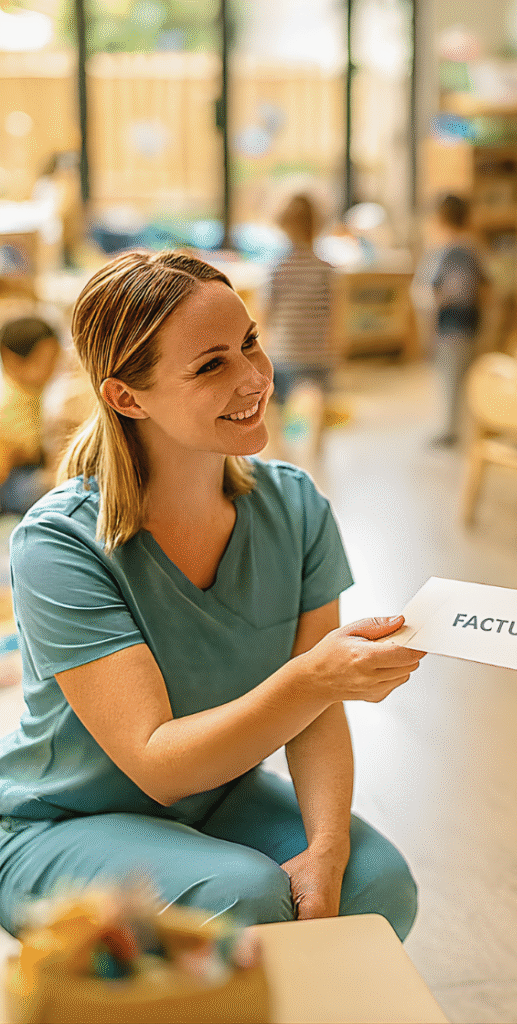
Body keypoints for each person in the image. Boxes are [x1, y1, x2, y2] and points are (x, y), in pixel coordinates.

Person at [0, 251, 424, 940]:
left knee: (374, 886)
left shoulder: (296, 508)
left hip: (217, 798)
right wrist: (314, 677)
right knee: (243, 899)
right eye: (210, 365)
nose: (254, 377)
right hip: (60, 824)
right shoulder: (57, 545)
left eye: (250, 343)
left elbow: (315, 714)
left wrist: (327, 848)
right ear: (127, 398)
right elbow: (158, 765)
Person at [264, 192, 335, 454]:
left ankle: (279, 448)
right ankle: (316, 443)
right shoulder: (325, 269)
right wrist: (335, 346)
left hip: (284, 349)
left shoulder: (276, 268)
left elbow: (266, 312)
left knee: (275, 404)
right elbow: (333, 311)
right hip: (316, 350)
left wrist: (261, 343)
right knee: (317, 395)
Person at [422, 193, 488, 446]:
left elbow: (431, 293)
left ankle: (449, 431)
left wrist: (427, 331)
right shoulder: (474, 250)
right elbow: (487, 288)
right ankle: (472, 429)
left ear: (440, 219)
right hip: (471, 324)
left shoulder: (442, 252)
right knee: (468, 380)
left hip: (448, 326)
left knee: (449, 380)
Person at [0, 317, 61, 516]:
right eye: (46, 360)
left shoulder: (34, 392)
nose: (54, 368)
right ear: (13, 361)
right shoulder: (7, 401)